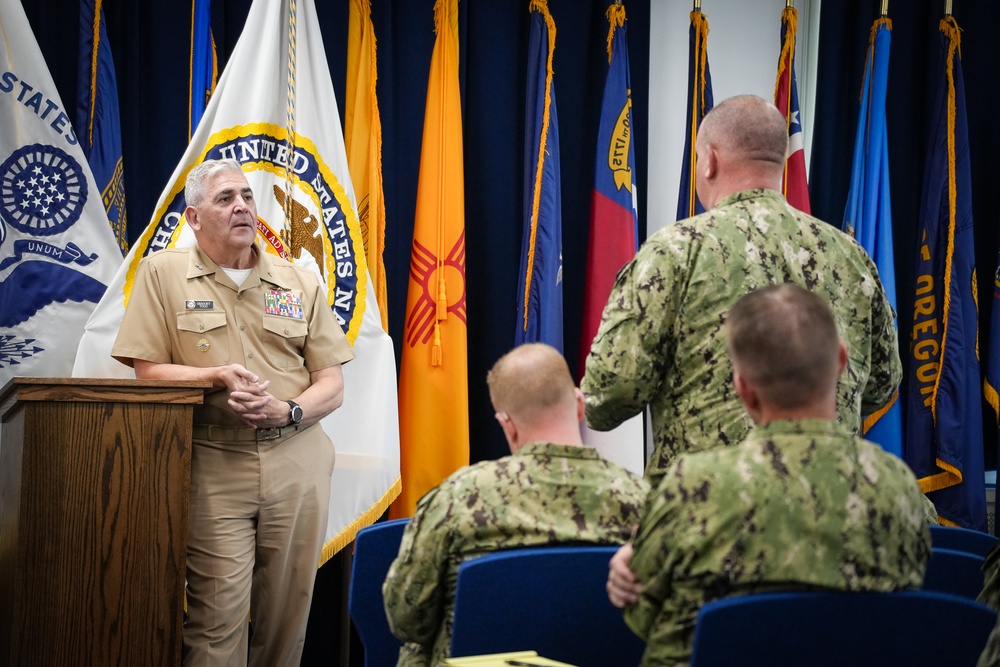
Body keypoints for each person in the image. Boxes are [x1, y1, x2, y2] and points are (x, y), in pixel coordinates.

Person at [581, 94, 902, 487]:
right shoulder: (851, 257)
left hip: (701, 520)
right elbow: (882, 384)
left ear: (710, 160)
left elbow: (607, 395)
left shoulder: (675, 253)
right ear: (780, 160)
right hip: (830, 514)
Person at [111, 158, 355, 666]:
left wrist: (286, 411)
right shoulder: (163, 274)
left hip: (297, 458)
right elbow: (147, 371)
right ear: (195, 217)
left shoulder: (298, 280)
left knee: (288, 618)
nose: (241, 206)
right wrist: (215, 376)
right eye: (225, 198)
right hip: (214, 461)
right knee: (214, 621)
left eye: (246, 195)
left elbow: (331, 384)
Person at [609, 285, 931, 666]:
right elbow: (907, 615)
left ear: (742, 388)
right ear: (842, 361)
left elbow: (642, 615)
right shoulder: (897, 486)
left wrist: (636, 554)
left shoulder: (692, 487)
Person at [382, 343, 649, 666]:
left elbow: (406, 619)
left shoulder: (459, 497)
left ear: (506, 424)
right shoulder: (644, 500)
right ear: (580, 405)